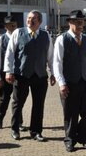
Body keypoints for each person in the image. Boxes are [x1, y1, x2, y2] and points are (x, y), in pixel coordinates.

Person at [4, 10, 56, 141]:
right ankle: (15, 129)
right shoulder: (18, 33)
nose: (29, 21)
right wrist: (9, 71)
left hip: (40, 76)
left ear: (39, 22)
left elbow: (50, 57)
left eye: (33, 19)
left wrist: (53, 73)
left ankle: (36, 131)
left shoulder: (46, 36)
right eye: (28, 18)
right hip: (22, 74)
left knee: (39, 105)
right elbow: (10, 53)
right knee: (18, 103)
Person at [53, 10, 86, 152]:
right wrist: (61, 83)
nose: (80, 25)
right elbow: (57, 63)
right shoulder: (62, 39)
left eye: (82, 22)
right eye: (77, 22)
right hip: (69, 81)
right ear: (70, 23)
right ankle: (70, 139)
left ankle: (84, 138)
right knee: (71, 113)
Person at [0, 16, 24, 130]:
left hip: (18, 74)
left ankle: (18, 122)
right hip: (4, 73)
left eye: (14, 24)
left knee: (18, 99)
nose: (13, 26)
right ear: (6, 26)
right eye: (11, 24)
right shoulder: (1, 39)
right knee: (4, 98)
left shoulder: (20, 37)